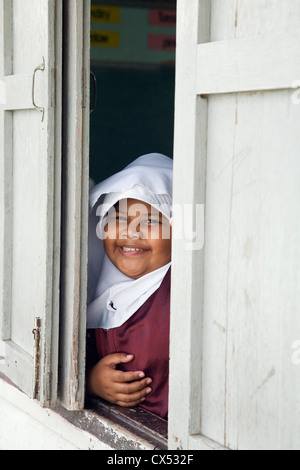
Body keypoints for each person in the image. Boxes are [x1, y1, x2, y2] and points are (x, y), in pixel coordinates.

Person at [86, 153, 173, 420]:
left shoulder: (183, 294)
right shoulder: (84, 293)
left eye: (150, 221)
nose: (130, 233)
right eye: (119, 219)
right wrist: (90, 382)